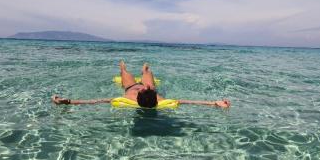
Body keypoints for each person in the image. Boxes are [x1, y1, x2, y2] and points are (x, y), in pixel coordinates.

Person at [52, 61, 231, 108]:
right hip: (142, 92)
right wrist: (213, 102)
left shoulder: (128, 95)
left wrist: (67, 101)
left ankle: (123, 67)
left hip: (129, 86)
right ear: (153, 92)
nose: (145, 86)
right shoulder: (159, 99)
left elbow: (96, 101)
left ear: (138, 95)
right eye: (149, 88)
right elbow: (188, 102)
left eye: (144, 88)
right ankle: (145, 68)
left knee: (125, 74)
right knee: (147, 73)